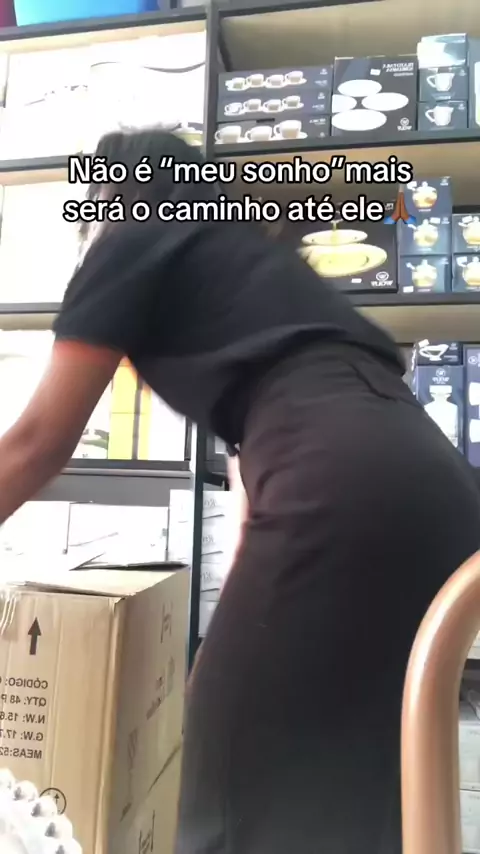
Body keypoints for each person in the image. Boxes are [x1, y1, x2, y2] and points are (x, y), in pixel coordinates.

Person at [0, 127, 479, 854]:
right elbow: (252, 483)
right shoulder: (250, 261)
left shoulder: (128, 240)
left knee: (228, 808)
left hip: (336, 481)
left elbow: (38, 441)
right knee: (357, 786)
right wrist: (229, 648)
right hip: (435, 487)